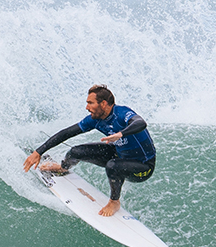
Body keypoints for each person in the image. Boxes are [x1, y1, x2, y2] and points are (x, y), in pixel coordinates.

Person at [23, 85, 157, 217]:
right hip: (119, 153)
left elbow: (140, 123)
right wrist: (38, 152)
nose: (87, 107)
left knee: (113, 166)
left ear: (103, 104)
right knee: (75, 152)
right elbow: (67, 133)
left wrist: (121, 134)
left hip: (143, 166)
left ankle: (114, 202)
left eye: (90, 103)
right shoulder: (95, 120)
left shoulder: (122, 113)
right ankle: (63, 168)